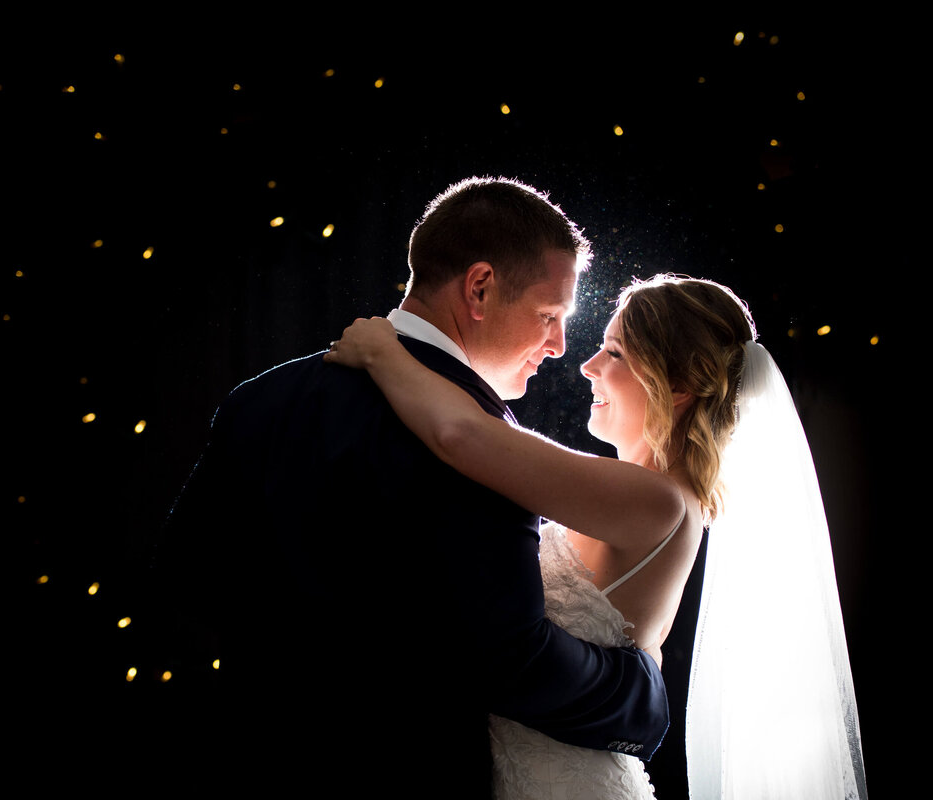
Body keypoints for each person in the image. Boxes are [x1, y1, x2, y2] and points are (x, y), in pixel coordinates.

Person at [157, 177, 670, 798]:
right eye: (549, 315)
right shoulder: (489, 445)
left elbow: (186, 575)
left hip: (254, 762)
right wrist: (638, 696)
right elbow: (510, 661)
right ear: (479, 287)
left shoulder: (262, 397)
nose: (559, 345)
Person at [324, 275, 868, 798]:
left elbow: (464, 435)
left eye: (614, 353)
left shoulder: (658, 501)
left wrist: (384, 354)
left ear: (677, 385)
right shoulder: (644, 496)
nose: (587, 366)